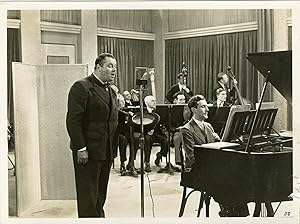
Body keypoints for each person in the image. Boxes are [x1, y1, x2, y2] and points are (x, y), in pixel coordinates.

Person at [66, 53, 118, 218]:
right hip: (89, 151)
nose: (114, 70)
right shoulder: (81, 87)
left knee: (100, 193)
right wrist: (81, 148)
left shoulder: (109, 89)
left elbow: (109, 118)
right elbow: (73, 121)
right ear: (98, 67)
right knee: (88, 195)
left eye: (115, 67)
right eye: (110, 66)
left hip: (106, 150)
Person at [180, 95, 249, 217]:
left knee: (236, 174)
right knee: (223, 177)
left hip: (212, 168)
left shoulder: (208, 126)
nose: (207, 109)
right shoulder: (186, 130)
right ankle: (227, 211)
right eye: (203, 107)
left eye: (207, 106)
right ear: (193, 109)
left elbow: (220, 143)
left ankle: (238, 212)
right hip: (196, 172)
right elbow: (192, 156)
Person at [133, 95, 168, 172]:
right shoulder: (141, 112)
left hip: (157, 133)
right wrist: (147, 131)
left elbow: (162, 123)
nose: (155, 102)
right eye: (152, 101)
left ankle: (160, 155)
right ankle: (147, 162)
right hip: (146, 134)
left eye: (155, 101)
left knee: (166, 140)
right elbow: (138, 124)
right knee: (147, 140)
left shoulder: (159, 112)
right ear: (146, 102)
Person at [171, 92, 191, 166]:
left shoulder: (188, 109)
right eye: (180, 100)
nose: (183, 101)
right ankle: (178, 160)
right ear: (175, 101)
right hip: (175, 130)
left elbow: (190, 121)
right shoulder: (171, 109)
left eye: (184, 100)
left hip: (186, 130)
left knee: (188, 137)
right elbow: (168, 123)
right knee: (177, 138)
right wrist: (176, 129)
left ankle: (188, 159)